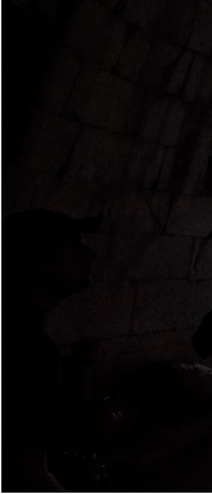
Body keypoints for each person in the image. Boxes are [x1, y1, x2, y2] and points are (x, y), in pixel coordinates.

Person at [2, 209, 99, 490]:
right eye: (75, 245)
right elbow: (28, 475)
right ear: (36, 262)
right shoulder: (29, 350)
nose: (91, 255)